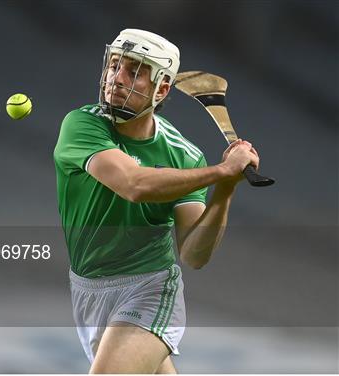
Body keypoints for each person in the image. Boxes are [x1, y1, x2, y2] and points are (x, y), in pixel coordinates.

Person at [53, 29, 259, 374]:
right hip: (88, 289)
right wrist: (220, 171)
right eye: (114, 66)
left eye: (134, 72)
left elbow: (193, 254)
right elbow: (133, 184)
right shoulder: (82, 125)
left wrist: (226, 188)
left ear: (162, 88)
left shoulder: (185, 156)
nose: (116, 79)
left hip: (149, 288)